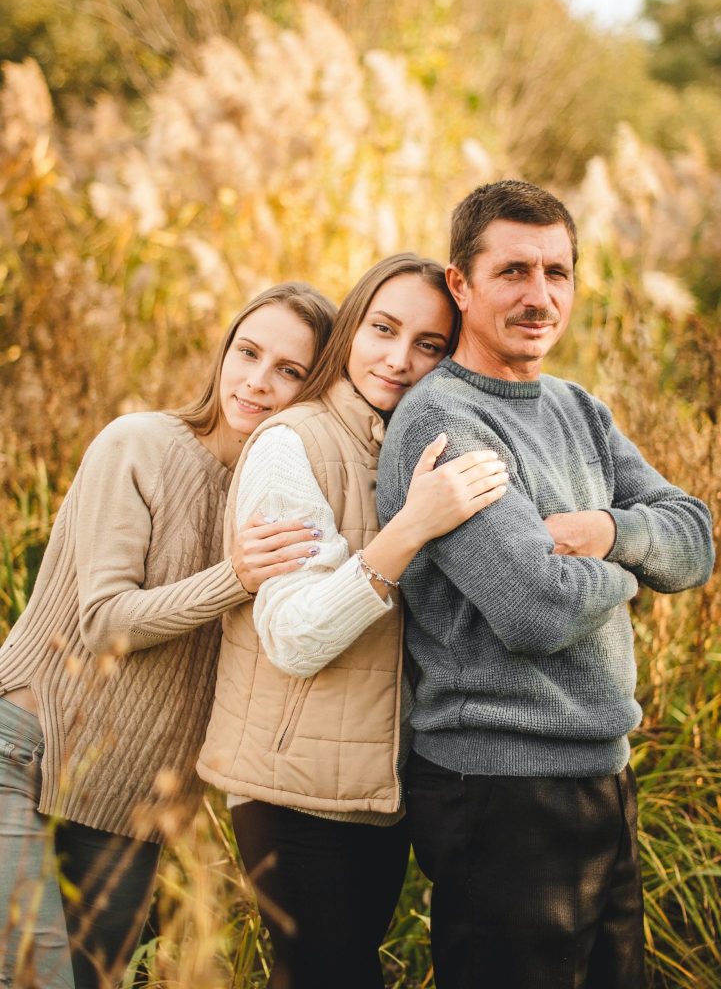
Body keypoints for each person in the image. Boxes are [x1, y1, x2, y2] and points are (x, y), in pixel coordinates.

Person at [376, 180, 716, 989]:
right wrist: (633, 572)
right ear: (460, 284)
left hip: (601, 775)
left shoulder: (576, 408)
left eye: (555, 273)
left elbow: (696, 538)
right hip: (498, 791)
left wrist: (605, 533)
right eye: (513, 273)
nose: (539, 297)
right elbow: (534, 608)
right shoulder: (443, 420)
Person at [0, 282, 338, 989]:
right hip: (25, 757)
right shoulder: (140, 445)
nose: (256, 381)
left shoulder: (283, 496)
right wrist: (235, 576)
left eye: (288, 371)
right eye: (247, 353)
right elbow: (103, 623)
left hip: (135, 805)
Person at [198, 252, 510, 989]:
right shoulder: (292, 443)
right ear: (350, 327)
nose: (399, 361)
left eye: (428, 345)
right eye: (382, 329)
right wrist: (409, 528)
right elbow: (295, 636)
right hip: (291, 791)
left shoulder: (398, 445)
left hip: (377, 789)